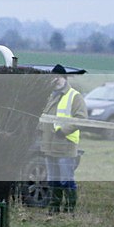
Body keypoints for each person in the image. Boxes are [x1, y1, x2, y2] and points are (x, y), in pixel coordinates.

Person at [40, 64, 88, 213]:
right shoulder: (50, 96)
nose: (55, 80)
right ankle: (54, 208)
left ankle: (69, 210)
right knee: (53, 180)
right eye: (53, 77)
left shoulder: (75, 96)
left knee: (66, 180)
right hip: (49, 146)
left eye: (58, 77)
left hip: (65, 145)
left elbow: (81, 118)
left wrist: (64, 131)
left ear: (64, 78)